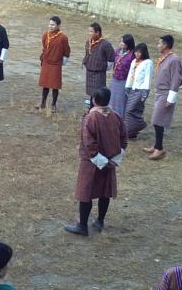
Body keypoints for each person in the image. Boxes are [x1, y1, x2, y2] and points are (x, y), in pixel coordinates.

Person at [65, 87, 127, 236]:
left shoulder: (90, 118)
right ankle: (100, 221)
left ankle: (82, 226)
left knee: (86, 192)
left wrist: (101, 161)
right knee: (104, 192)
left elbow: (89, 143)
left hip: (92, 163)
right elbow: (124, 139)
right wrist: (113, 160)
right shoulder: (116, 116)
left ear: (94, 100)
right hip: (110, 162)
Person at [144, 35, 182, 161]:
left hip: (166, 94)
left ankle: (159, 149)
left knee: (157, 120)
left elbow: (176, 79)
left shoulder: (174, 60)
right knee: (157, 120)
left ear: (166, 45)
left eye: (160, 43)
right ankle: (156, 145)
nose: (158, 45)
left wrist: (170, 99)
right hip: (159, 92)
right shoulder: (164, 58)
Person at [36, 15, 70, 112]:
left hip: (56, 64)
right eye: (50, 24)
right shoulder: (45, 35)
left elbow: (67, 51)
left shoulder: (63, 37)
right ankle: (43, 103)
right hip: (46, 62)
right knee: (45, 84)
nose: (51, 26)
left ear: (58, 26)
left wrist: (62, 62)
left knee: (55, 86)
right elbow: (44, 47)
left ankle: (53, 105)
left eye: (53, 25)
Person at [82, 23, 115, 108]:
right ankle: (90, 109)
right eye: (89, 31)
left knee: (98, 93)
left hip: (99, 73)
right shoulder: (88, 42)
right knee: (91, 93)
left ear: (97, 33)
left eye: (91, 31)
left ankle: (96, 111)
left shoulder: (105, 44)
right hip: (89, 71)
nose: (89, 33)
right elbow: (86, 54)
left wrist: (102, 67)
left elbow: (111, 58)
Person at [123, 43, 152, 139]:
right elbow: (130, 74)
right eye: (136, 52)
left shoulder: (148, 63)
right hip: (132, 89)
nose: (137, 54)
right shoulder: (134, 61)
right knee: (133, 111)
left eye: (139, 52)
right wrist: (127, 87)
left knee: (129, 110)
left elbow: (147, 78)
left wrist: (145, 92)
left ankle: (140, 124)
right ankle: (131, 132)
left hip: (140, 90)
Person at [109, 35, 136, 117]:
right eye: (120, 41)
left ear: (128, 44)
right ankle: (112, 116)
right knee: (112, 98)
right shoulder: (118, 51)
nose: (120, 43)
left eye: (123, 42)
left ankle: (120, 118)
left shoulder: (132, 55)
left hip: (124, 80)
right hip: (115, 79)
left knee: (121, 100)